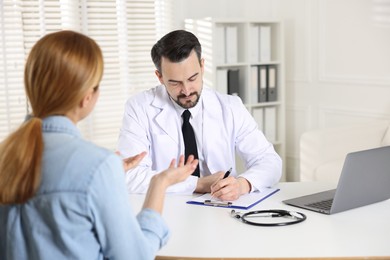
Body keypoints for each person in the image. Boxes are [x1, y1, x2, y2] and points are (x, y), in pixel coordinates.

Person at [0, 30, 198, 260]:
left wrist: (105, 175)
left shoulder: (7, 155)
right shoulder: (98, 167)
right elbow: (135, 257)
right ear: (87, 97)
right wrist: (160, 182)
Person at [118, 29, 282, 201]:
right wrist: (197, 184)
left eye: (192, 78)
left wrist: (242, 184)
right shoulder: (139, 108)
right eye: (175, 83)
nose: (187, 90)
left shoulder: (230, 107)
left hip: (221, 209)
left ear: (202, 66)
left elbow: (270, 162)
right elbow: (129, 176)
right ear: (159, 77)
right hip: (168, 207)